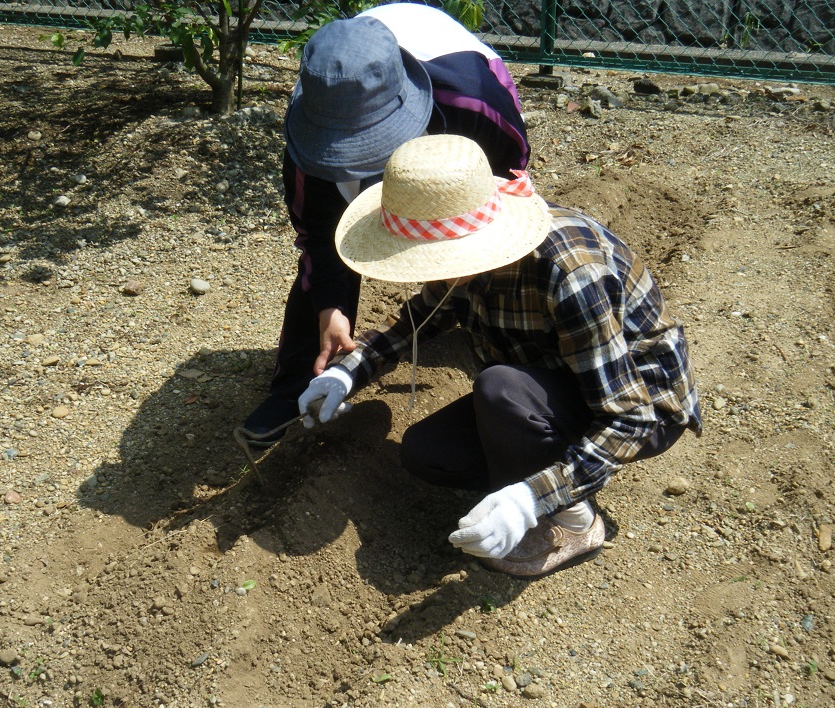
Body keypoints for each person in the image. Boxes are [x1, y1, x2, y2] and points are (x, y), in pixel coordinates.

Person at [297, 134, 702, 577]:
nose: (433, 272)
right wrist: (345, 374)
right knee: (427, 453)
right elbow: (417, 322)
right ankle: (539, 471)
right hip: (547, 383)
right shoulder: (460, 264)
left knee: (500, 388)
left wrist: (530, 499)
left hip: (639, 403)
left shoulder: (569, 274)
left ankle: (576, 521)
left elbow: (631, 418)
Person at [242, 3, 530, 445]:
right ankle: (294, 385)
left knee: (482, 238)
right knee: (323, 275)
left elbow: (507, 186)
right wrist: (330, 308)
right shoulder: (312, 121)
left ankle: (511, 349)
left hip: (454, 93)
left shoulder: (475, 102)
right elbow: (318, 235)